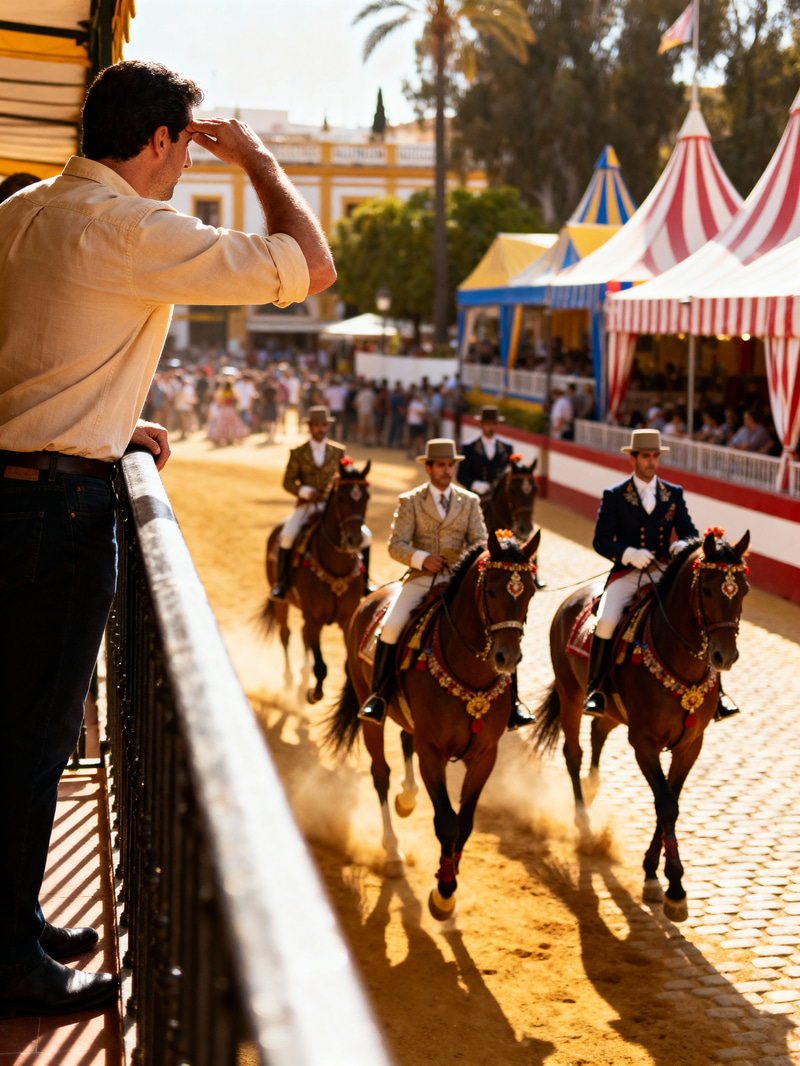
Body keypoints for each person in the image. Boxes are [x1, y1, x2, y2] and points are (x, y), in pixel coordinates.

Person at [0, 59, 335, 1017]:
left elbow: (44, 348)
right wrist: (262, 159)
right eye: (186, 144)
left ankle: (11, 921)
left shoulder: (20, 211)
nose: (190, 162)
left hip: (19, 484)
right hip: (57, 513)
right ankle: (9, 959)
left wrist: (107, 421)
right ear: (159, 141)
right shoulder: (133, 227)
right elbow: (310, 265)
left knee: (17, 731)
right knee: (36, 740)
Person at [358, 438, 535, 730]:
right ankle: (378, 696)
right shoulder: (410, 501)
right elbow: (396, 545)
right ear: (428, 468)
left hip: (460, 581)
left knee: (502, 627)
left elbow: (480, 542)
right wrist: (420, 558)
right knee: (390, 627)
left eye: (450, 465)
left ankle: (513, 704)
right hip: (421, 579)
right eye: (440, 464)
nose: (446, 470)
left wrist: (471, 563)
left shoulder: (470, 501)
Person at [583, 429, 739, 722]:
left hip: (666, 572)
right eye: (646, 456)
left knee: (703, 615)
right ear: (632, 458)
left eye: (655, 456)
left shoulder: (673, 493)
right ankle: (596, 690)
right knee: (605, 621)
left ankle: (717, 695)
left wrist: (684, 544)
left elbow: (690, 531)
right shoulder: (615, 495)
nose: (652, 462)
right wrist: (629, 554)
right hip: (629, 573)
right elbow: (601, 540)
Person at [269, 406, 373, 599]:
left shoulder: (338, 451)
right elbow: (288, 482)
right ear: (310, 427)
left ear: (327, 427)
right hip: (307, 505)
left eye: (323, 425)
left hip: (333, 506)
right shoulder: (298, 452)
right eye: (316, 425)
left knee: (366, 536)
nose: (320, 429)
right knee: (288, 535)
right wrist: (306, 492)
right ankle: (281, 584)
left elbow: (345, 480)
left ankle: (365, 583)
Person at [457, 405, 513, 494]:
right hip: (475, 496)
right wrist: (476, 484)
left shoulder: (507, 448)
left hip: (499, 497)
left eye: (494, 423)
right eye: (488, 424)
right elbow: (461, 475)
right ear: (481, 424)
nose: (491, 427)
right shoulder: (469, 447)